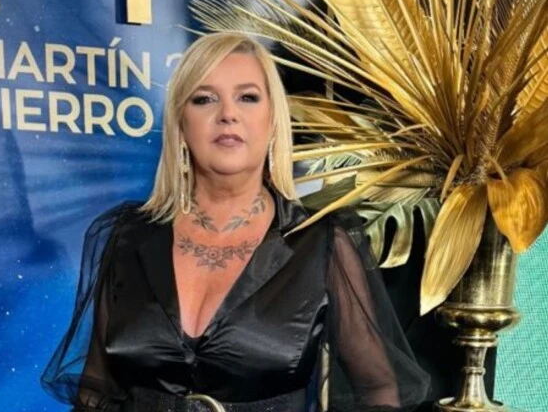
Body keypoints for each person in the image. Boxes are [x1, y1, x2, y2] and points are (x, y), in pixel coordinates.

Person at [41, 32, 430, 411]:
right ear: (180, 126)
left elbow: (378, 387)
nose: (228, 114)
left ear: (273, 120)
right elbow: (95, 391)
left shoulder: (321, 244)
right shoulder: (127, 237)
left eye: (247, 97)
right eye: (204, 99)